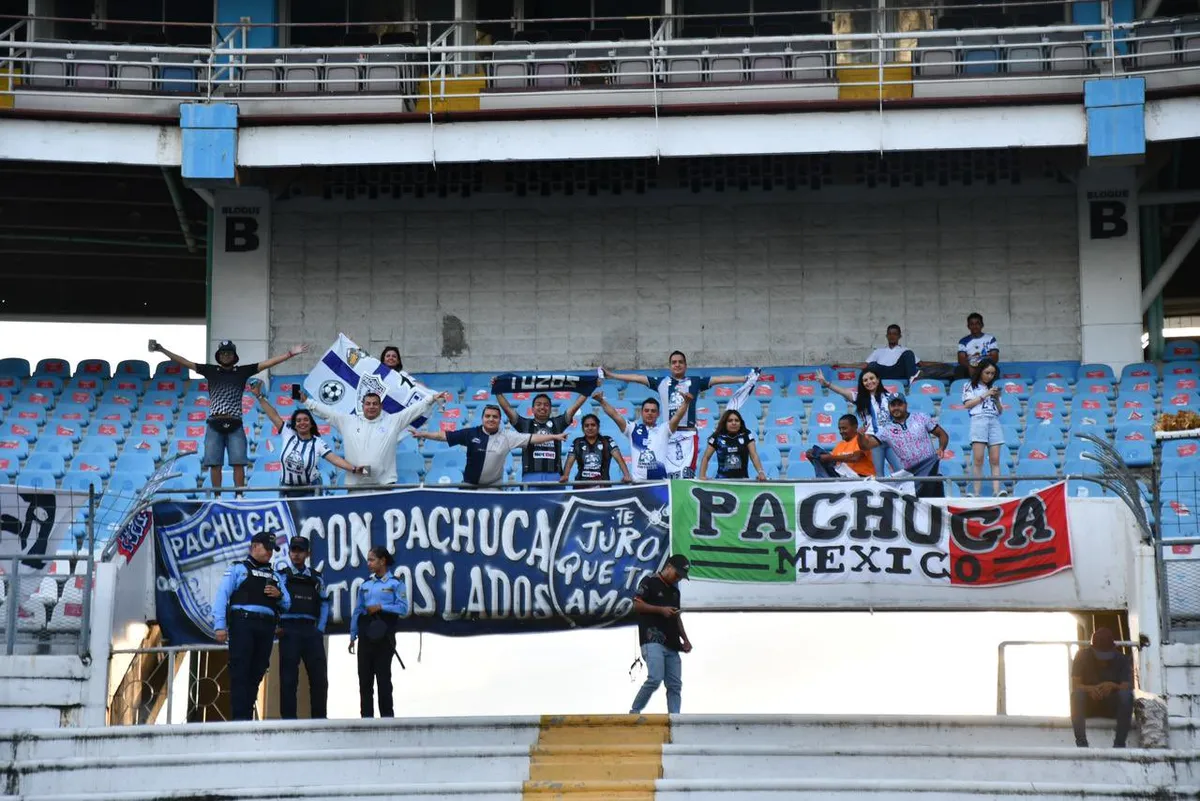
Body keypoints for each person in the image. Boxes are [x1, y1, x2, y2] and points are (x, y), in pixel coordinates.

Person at [152, 339, 307, 491]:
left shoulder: (242, 371)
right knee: (214, 463)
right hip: (214, 423)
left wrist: (289, 354)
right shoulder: (210, 370)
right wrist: (162, 349)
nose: (226, 355)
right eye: (223, 353)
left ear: (234, 356)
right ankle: (217, 496)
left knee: (238, 462)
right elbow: (185, 362)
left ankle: (239, 495)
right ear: (218, 356)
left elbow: (266, 364)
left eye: (229, 353)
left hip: (235, 424)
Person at [603, 351, 754, 478]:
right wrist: (613, 376)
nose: (677, 364)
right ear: (670, 366)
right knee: (668, 474)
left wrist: (744, 379)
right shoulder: (661, 382)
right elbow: (637, 378)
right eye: (674, 362)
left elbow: (718, 380)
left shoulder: (694, 382)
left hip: (688, 434)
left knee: (687, 474)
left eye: (680, 362)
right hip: (668, 434)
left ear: (686, 365)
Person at [211, 531, 291, 721]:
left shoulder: (275, 575)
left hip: (266, 628)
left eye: (273, 549)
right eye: (267, 548)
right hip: (243, 624)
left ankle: (246, 717)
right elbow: (222, 595)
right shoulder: (238, 569)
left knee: (258, 670)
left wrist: (278, 595)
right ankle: (239, 720)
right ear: (255, 546)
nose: (270, 553)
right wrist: (219, 626)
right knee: (240, 670)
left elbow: (287, 604)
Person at [306, 389, 452, 487]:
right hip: (355, 485)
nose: (371, 407)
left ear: (381, 406)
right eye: (368, 404)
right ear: (362, 406)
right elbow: (327, 413)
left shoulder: (393, 421)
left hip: (384, 485)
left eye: (375, 404)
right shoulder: (347, 421)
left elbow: (413, 410)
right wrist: (307, 401)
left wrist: (431, 398)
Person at [249, 381, 365, 496]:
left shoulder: (317, 442)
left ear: (311, 424)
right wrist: (259, 396)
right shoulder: (287, 433)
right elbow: (273, 415)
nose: (302, 423)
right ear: (294, 425)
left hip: (310, 489)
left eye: (306, 420)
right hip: (286, 488)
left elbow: (335, 459)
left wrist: (354, 469)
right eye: (298, 421)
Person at [412, 404, 567, 487]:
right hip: (469, 486)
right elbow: (443, 435)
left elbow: (533, 437)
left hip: (494, 487)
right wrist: (423, 434)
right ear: (482, 418)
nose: (491, 419)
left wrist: (554, 436)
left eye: (495, 417)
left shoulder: (508, 436)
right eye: (488, 416)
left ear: (500, 420)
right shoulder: (470, 433)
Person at [349, 546, 408, 718]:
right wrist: (353, 635)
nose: (369, 563)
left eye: (372, 559)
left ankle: (387, 718)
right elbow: (358, 610)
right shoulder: (365, 585)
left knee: (383, 678)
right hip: (366, 634)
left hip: (385, 635)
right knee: (364, 679)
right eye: (368, 560)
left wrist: (382, 607)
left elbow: (403, 608)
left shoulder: (395, 583)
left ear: (383, 561)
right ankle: (366, 718)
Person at [630, 554, 693, 715]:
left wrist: (685, 639)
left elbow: (676, 616)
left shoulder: (675, 592)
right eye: (677, 574)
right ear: (669, 567)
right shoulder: (650, 581)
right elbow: (637, 605)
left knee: (675, 685)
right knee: (655, 678)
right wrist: (660, 610)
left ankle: (675, 718)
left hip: (672, 643)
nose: (678, 578)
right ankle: (634, 711)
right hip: (652, 640)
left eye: (681, 577)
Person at [278, 536, 329, 719]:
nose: (296, 554)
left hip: (310, 630)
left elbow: (324, 603)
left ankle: (319, 719)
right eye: (293, 550)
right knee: (288, 679)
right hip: (288, 629)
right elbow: (272, 601)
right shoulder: (281, 575)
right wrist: (278, 625)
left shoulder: (316, 577)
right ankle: (288, 721)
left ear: (308, 553)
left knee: (319, 679)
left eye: (300, 550)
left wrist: (320, 629)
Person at [863, 394, 950, 498]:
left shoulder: (921, 417)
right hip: (911, 479)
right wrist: (860, 436)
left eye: (899, 404)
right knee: (914, 512)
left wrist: (941, 449)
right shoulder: (886, 430)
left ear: (906, 405)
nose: (896, 408)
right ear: (889, 408)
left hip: (931, 472)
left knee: (936, 509)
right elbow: (866, 445)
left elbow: (942, 434)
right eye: (893, 405)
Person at [494, 389, 587, 485]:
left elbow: (575, 407)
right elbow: (507, 409)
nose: (542, 407)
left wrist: (587, 390)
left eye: (546, 405)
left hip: (555, 476)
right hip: (530, 476)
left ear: (550, 409)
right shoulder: (525, 424)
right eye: (538, 404)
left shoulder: (558, 423)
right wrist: (498, 390)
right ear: (532, 409)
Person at [593, 391, 692, 481]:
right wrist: (601, 401)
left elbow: (677, 416)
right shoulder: (632, 428)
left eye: (653, 411)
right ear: (641, 412)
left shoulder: (665, 429)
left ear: (658, 414)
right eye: (647, 410)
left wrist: (686, 403)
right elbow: (615, 415)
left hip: (660, 483)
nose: (649, 413)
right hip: (638, 484)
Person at [821, 369, 900, 474]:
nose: (869, 382)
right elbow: (842, 392)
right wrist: (827, 384)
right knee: (879, 473)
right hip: (873, 440)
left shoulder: (889, 397)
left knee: (900, 470)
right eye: (865, 380)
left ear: (878, 380)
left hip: (890, 439)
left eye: (871, 378)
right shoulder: (860, 398)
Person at [1071, 627, 1134, 748]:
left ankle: (1119, 744)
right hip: (1090, 705)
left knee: (1126, 695)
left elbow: (1127, 685)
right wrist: (1090, 689)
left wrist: (1112, 686)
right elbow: (1076, 685)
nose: (1103, 661)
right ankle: (1081, 743)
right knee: (1077, 695)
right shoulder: (1081, 656)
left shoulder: (1122, 659)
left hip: (1111, 706)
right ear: (1092, 648)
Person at [962, 358, 1006, 497]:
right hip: (978, 420)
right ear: (980, 371)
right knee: (978, 459)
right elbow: (967, 404)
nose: (990, 376)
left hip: (993, 420)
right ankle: (976, 492)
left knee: (995, 459)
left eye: (992, 373)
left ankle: (996, 491)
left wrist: (996, 399)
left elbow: (1000, 411)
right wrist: (985, 394)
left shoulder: (993, 389)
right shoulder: (970, 386)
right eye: (987, 372)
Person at [560, 413, 633, 484]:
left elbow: (619, 459)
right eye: (586, 426)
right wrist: (565, 476)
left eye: (593, 425)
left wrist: (626, 475)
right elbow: (569, 461)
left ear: (598, 427)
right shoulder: (577, 442)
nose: (590, 428)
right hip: (581, 487)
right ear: (582, 428)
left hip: (603, 487)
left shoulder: (607, 441)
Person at [833, 324, 921, 382]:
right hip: (883, 373)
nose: (892, 336)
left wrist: (935, 363)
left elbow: (921, 363)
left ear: (899, 336)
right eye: (890, 334)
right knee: (872, 365)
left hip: (898, 372)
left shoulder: (905, 350)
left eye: (895, 334)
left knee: (909, 353)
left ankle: (912, 381)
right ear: (886, 336)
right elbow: (865, 365)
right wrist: (843, 365)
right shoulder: (878, 350)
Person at [698, 409, 768, 480]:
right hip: (722, 481)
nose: (734, 423)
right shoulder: (717, 436)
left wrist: (761, 472)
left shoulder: (746, 434)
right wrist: (702, 475)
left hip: (742, 482)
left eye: (737, 420)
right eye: (730, 421)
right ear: (725, 423)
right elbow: (706, 457)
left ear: (740, 423)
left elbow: (754, 455)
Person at [808, 414, 876, 479]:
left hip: (862, 478)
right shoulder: (839, 445)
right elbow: (832, 463)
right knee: (816, 453)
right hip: (843, 479)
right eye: (840, 429)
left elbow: (855, 457)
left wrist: (830, 457)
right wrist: (814, 458)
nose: (841, 431)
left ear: (855, 427)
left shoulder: (862, 439)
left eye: (844, 428)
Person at [957, 312, 1000, 378]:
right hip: (970, 367)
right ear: (968, 326)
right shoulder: (963, 341)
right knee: (959, 370)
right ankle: (965, 387)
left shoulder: (990, 339)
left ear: (982, 325)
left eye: (977, 323)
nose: (975, 326)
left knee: (995, 370)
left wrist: (981, 366)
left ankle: (990, 388)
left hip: (986, 366)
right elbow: (961, 360)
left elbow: (995, 358)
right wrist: (971, 366)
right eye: (972, 324)